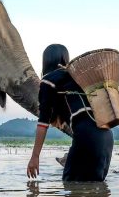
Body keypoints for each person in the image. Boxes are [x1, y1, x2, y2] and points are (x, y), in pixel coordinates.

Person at [27, 44, 113, 182]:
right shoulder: (79, 77)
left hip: (87, 135)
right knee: (95, 189)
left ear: (46, 61)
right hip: (107, 137)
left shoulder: (49, 80)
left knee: (71, 185)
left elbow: (43, 123)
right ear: (65, 58)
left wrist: (35, 157)